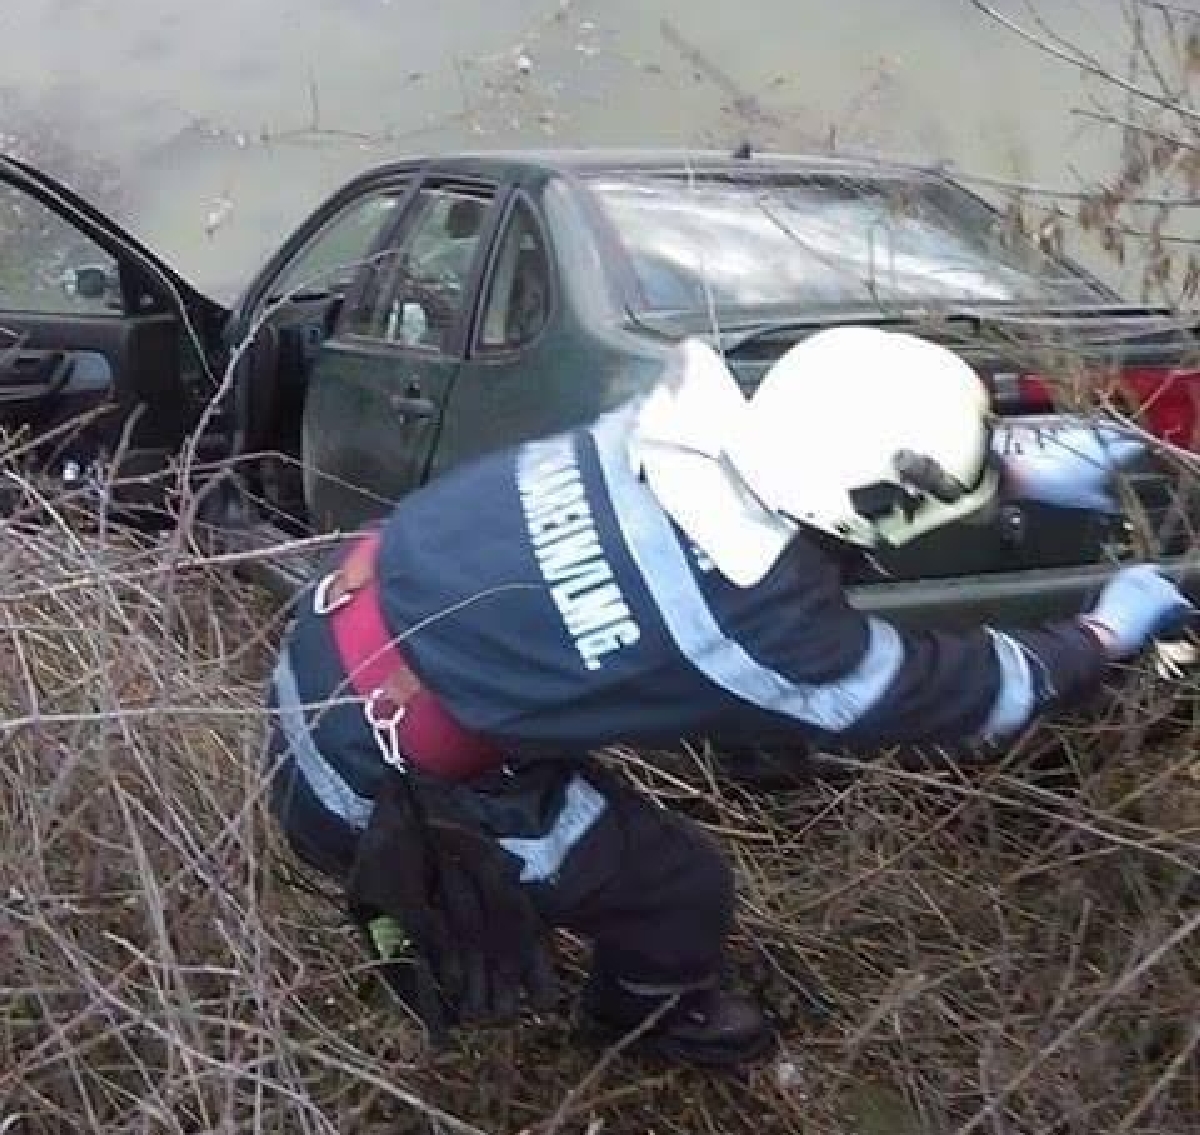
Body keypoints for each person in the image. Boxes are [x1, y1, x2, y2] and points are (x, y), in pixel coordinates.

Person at [268, 326, 1192, 1070]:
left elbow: (828, 486)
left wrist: (1006, 465)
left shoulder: (654, 426)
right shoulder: (753, 629)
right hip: (368, 780)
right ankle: (646, 1015)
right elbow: (951, 691)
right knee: (680, 885)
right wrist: (1102, 633)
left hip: (337, 633)